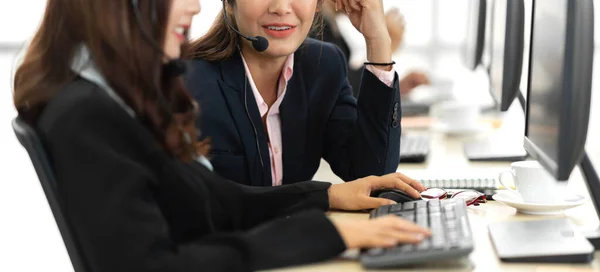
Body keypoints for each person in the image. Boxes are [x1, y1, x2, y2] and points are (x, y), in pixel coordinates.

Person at [12, 0, 430, 271]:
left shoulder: (109, 100)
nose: (194, 6)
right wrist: (322, 233)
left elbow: (211, 197)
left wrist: (326, 198)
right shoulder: (90, 115)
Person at [186, 0, 407, 187]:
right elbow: (213, 203)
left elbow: (373, 175)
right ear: (229, 3)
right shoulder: (188, 85)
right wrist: (324, 197)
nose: (281, 8)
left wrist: (378, 41)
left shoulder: (323, 66)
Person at [318, 1, 430, 96]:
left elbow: (344, 83)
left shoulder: (330, 25)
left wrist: (396, 87)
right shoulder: (315, 26)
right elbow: (341, 90)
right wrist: (383, 47)